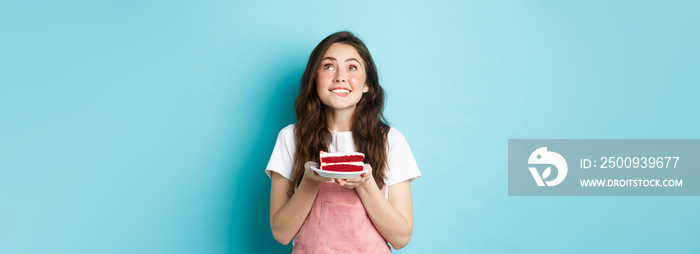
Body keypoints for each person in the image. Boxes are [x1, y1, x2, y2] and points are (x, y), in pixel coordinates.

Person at [265, 31, 421, 253]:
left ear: (367, 84)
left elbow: (401, 238)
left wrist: (366, 184)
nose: (340, 76)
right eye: (328, 66)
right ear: (314, 79)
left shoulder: (391, 141)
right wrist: (310, 181)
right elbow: (281, 233)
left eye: (352, 67)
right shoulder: (291, 138)